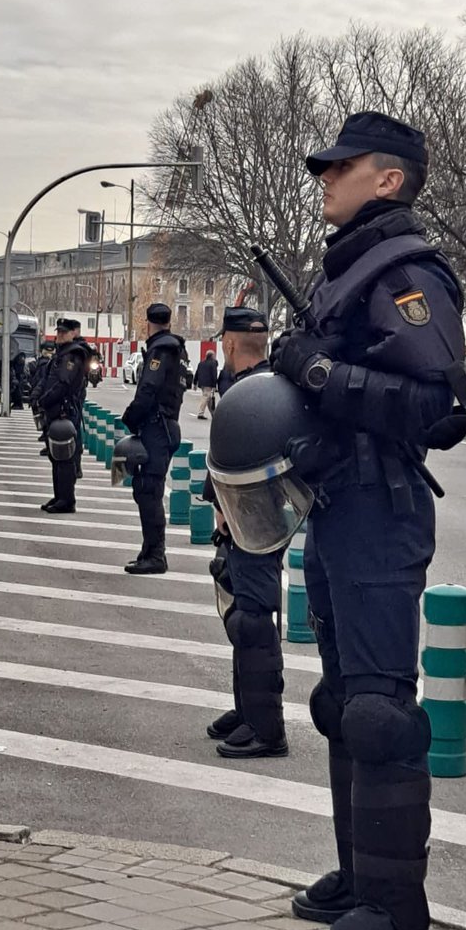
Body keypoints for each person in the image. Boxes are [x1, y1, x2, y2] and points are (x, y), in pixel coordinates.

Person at [266, 111, 466, 930]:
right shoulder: (349, 271)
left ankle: (398, 916)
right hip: (337, 504)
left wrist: (317, 369)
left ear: (387, 179)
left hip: (380, 511)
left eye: (340, 168)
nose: (326, 179)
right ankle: (361, 877)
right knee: (344, 707)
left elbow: (442, 408)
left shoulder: (406, 272)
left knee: (382, 716)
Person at [206, 308, 289, 760]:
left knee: (254, 621)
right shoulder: (266, 388)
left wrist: (223, 508)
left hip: (254, 521)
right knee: (242, 613)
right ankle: (247, 710)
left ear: (232, 343)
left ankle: (267, 727)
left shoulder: (252, 392)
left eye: (223, 341)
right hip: (249, 517)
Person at [121, 303, 190, 574]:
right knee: (147, 490)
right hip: (166, 426)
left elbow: (149, 387)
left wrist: (130, 418)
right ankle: (149, 550)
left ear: (147, 323)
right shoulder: (177, 348)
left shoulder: (160, 349)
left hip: (157, 428)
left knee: (149, 490)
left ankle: (156, 555)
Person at [38, 318, 89, 512]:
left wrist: (46, 399)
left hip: (64, 411)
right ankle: (59, 496)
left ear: (71, 334)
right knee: (55, 457)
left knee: (65, 459)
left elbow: (64, 385)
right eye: (58, 332)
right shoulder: (61, 354)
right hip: (56, 411)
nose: (59, 335)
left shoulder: (72, 355)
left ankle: (67, 500)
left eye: (63, 332)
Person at [195, 349, 219, 418]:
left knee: (209, 399)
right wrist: (215, 385)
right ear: (212, 356)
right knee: (206, 397)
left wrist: (195, 382)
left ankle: (213, 413)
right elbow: (214, 374)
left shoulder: (201, 363)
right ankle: (200, 413)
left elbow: (197, 373)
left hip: (202, 383)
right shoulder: (213, 363)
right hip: (208, 384)